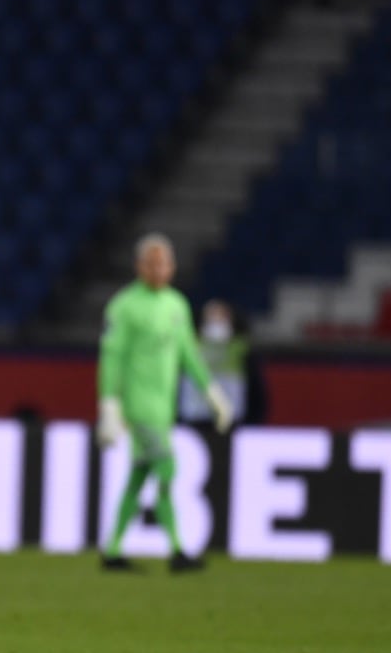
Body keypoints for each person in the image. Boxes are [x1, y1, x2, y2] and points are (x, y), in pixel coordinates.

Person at [97, 233, 232, 572]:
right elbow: (112, 359)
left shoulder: (177, 306)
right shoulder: (124, 306)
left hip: (164, 410)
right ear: (139, 266)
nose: (159, 269)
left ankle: (112, 551)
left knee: (140, 475)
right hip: (139, 408)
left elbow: (190, 355)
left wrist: (213, 394)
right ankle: (176, 551)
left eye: (165, 263)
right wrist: (109, 405)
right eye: (152, 263)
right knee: (168, 468)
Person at [178, 298, 267, 427]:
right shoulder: (188, 348)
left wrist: (254, 420)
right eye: (211, 316)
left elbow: (257, 389)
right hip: (194, 418)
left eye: (222, 316)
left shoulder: (242, 349)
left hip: (233, 419)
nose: (216, 320)